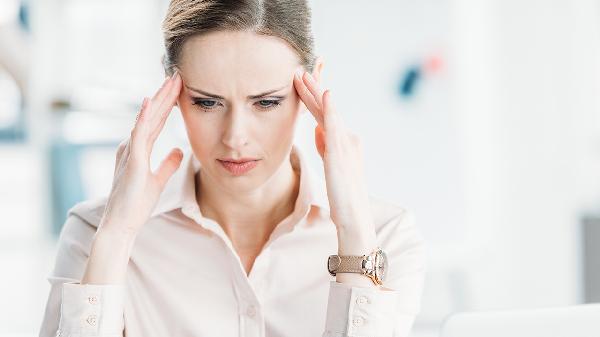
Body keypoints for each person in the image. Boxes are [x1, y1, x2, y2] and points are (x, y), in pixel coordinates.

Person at [38, 1, 426, 336]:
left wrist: (353, 232)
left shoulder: (384, 236)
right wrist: (117, 236)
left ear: (312, 89)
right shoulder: (93, 232)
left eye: (267, 103)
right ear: (171, 93)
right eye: (207, 102)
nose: (235, 137)